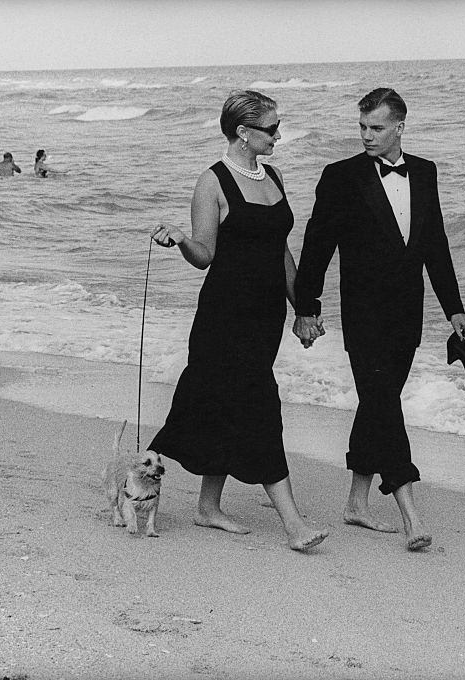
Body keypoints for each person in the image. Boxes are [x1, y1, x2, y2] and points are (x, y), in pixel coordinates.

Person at [293, 88, 465, 551]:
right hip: (363, 315)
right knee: (384, 404)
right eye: (362, 127)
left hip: (406, 314)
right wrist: (305, 307)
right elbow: (317, 246)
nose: (367, 136)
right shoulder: (340, 177)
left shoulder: (426, 173)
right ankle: (410, 511)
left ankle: (356, 503)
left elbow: (435, 244)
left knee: (380, 401)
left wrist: (454, 307)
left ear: (399, 127)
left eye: (376, 128)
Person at [147, 90, 328, 552]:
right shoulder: (212, 183)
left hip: (265, 316)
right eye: (272, 129)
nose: (279, 135)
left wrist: (304, 307)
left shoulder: (275, 176)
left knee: (219, 404)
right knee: (259, 406)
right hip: (224, 317)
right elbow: (204, 256)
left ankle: (207, 508)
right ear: (243, 133)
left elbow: (281, 251)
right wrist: (182, 240)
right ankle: (293, 525)